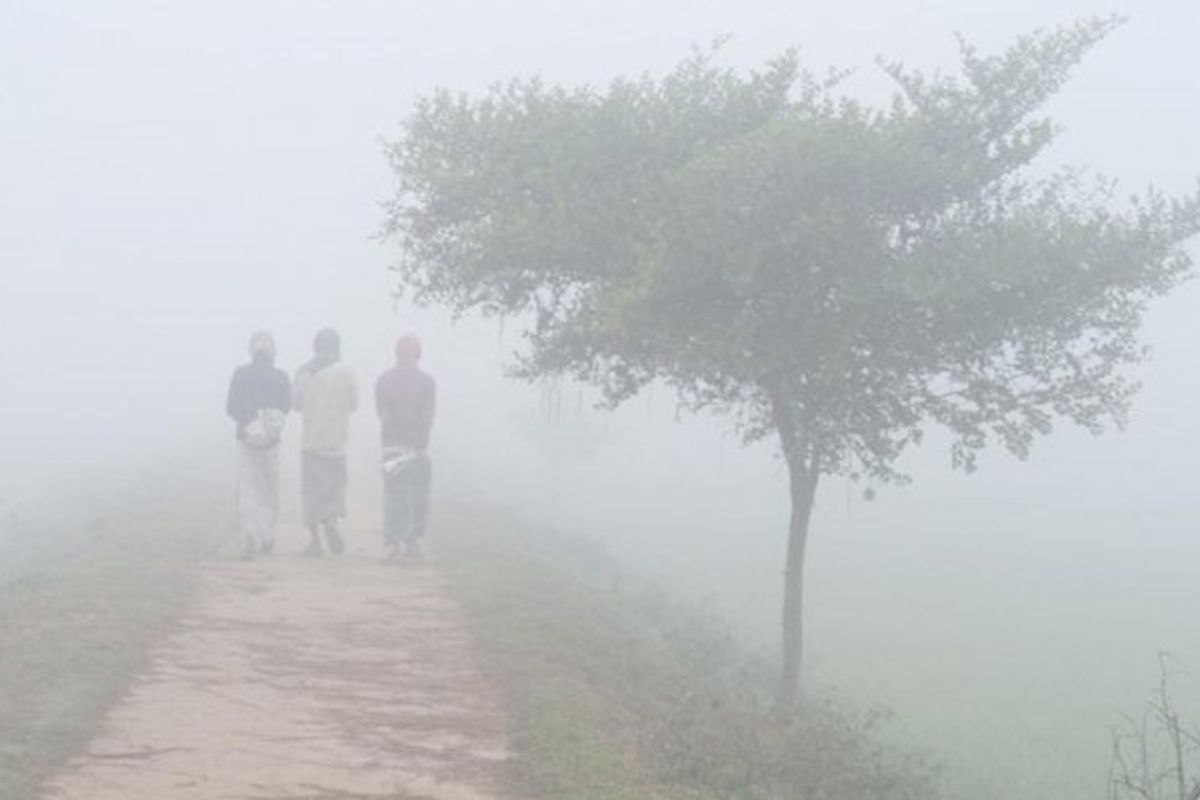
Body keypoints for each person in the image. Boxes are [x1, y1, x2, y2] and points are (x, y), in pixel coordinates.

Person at [225, 331, 291, 559]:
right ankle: (267, 536)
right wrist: (269, 426)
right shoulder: (281, 377)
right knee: (269, 489)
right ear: (273, 351)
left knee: (248, 489)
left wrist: (249, 422)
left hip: (246, 440)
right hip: (271, 444)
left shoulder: (241, 374)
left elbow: (231, 407)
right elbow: (286, 406)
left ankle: (249, 535)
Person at [294, 328, 358, 556]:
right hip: (336, 441)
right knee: (334, 487)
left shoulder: (304, 372)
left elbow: (296, 404)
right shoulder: (347, 371)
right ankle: (331, 522)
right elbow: (354, 404)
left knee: (312, 492)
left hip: (311, 442)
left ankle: (315, 541)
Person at [375, 333, 436, 563]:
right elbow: (427, 417)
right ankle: (411, 541)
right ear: (418, 354)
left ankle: (395, 543)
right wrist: (419, 441)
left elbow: (381, 412)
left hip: (392, 446)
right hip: (416, 447)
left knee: (394, 495)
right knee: (417, 495)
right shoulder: (427, 382)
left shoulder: (384, 380)